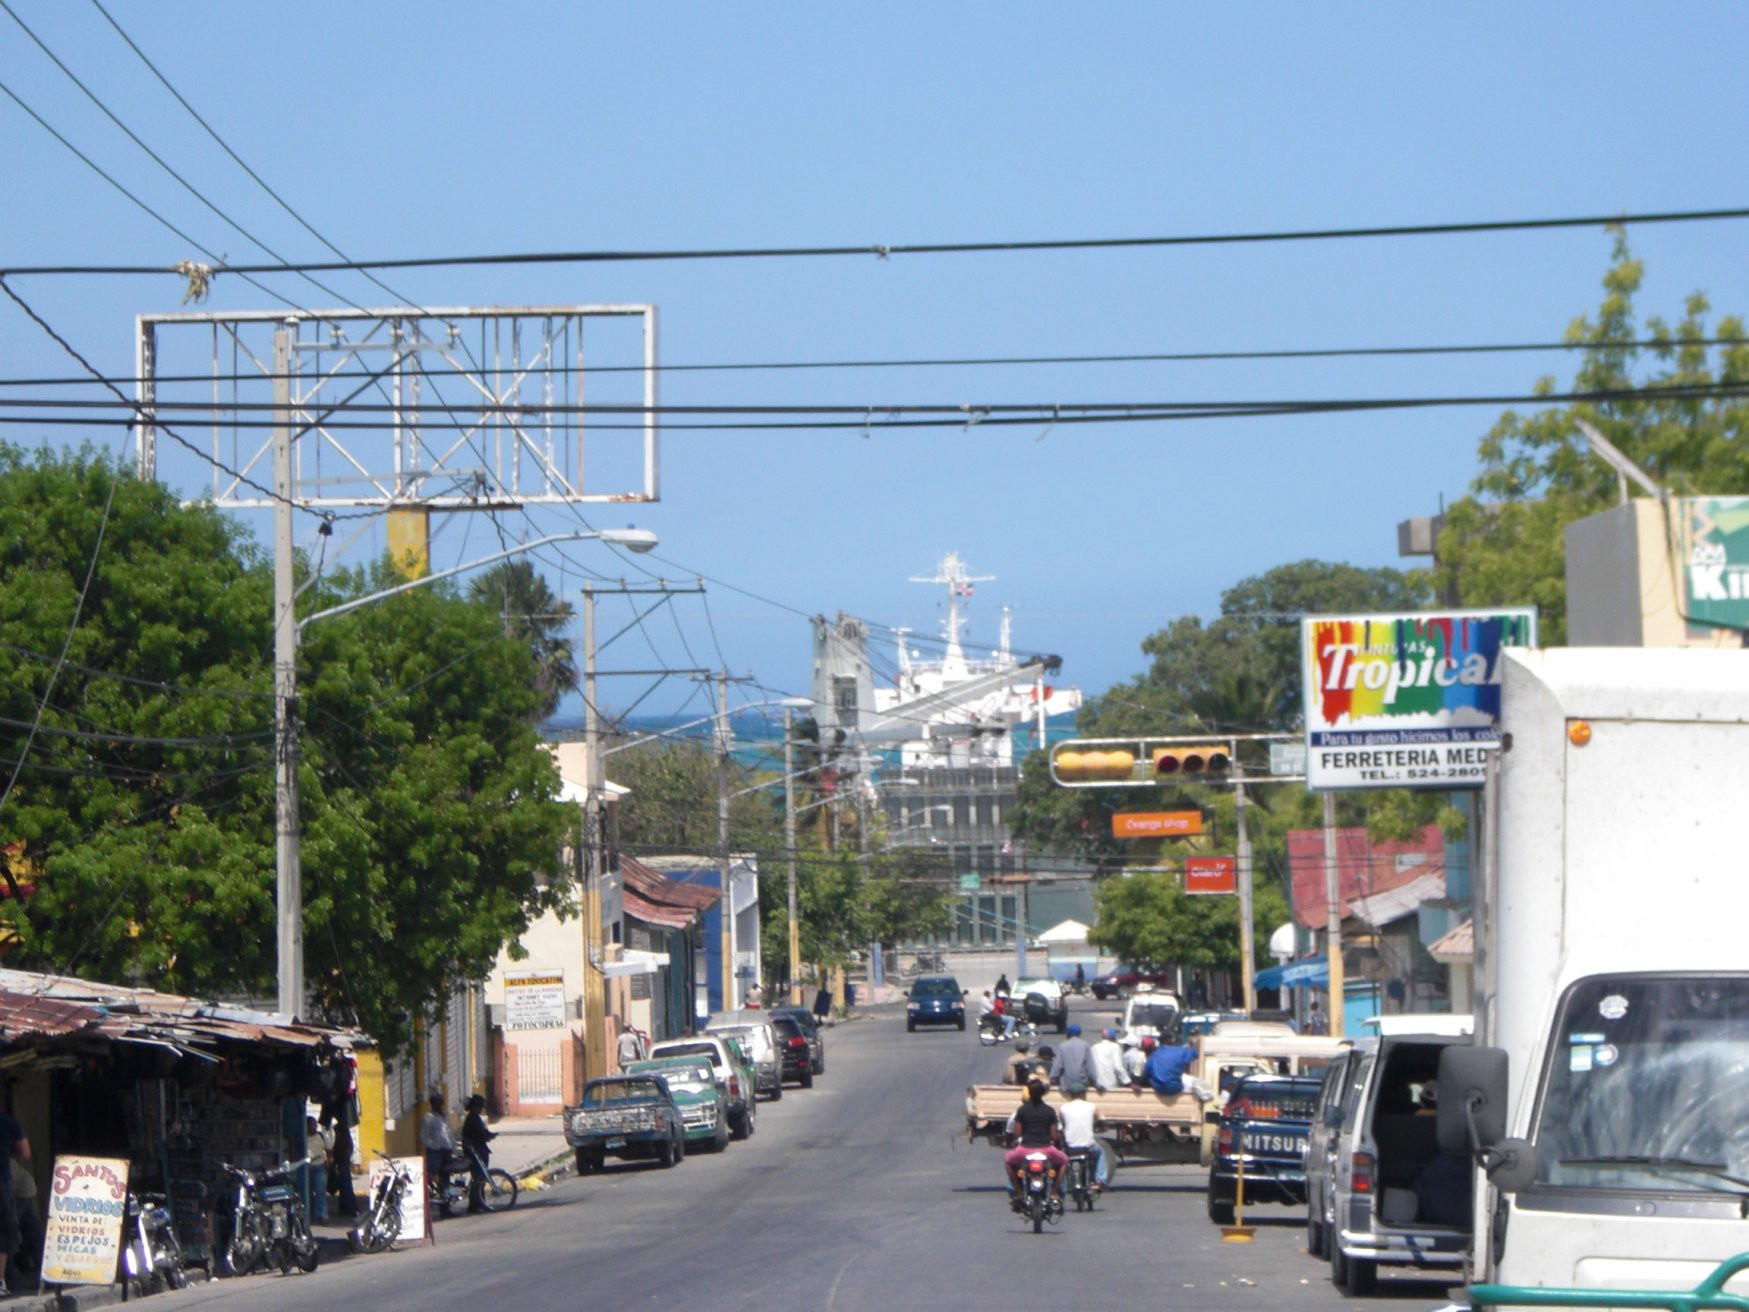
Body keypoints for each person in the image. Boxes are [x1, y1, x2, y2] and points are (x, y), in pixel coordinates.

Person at [1002, 1078, 1066, 1208]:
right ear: (1043, 1093)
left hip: (1025, 1149)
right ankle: (1054, 1192)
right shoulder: (1049, 1111)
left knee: (1008, 1161)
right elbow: (1054, 1136)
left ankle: (1019, 1193)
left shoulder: (1022, 1110)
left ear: (1029, 1093)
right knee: (1064, 1161)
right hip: (1046, 1149)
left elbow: (1017, 1134)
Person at [1059, 1081, 1109, 1194]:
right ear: (1083, 1094)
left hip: (1070, 1146)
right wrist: (1101, 1126)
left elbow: (1060, 1124)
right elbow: (1100, 1119)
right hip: (1088, 1146)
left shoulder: (1063, 1108)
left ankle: (1062, 1185)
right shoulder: (1091, 1106)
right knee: (1101, 1152)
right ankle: (1100, 1180)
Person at [0, 1106, 29, 1297]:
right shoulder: (8, 1122)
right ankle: (1, 1280)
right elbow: (25, 1153)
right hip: (1, 1182)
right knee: (4, 1231)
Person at [1143, 1036, 1214, 1101]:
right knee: (1194, 1081)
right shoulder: (1180, 1051)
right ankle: (1207, 1097)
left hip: (1158, 1089)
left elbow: (1146, 1074)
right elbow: (1195, 1053)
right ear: (1172, 1041)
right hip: (1176, 1088)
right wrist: (1192, 1045)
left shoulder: (1153, 1055)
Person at [418, 1092, 457, 1201]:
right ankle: (432, 1196)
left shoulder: (444, 1115)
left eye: (440, 1103)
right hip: (436, 1152)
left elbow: (448, 1131)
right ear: (432, 1104)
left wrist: (453, 1145)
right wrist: (436, 1146)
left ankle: (445, 1201)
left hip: (447, 1150)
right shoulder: (428, 1118)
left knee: (446, 1176)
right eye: (436, 1103)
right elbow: (424, 1137)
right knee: (433, 1174)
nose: (439, 1105)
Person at [461, 1094, 497, 1213]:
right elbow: (478, 1135)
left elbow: (482, 1132)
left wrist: (489, 1135)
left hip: (479, 1150)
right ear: (474, 1107)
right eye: (479, 1107)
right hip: (474, 1152)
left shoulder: (476, 1118)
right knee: (478, 1178)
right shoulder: (472, 1119)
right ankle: (475, 1204)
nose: (481, 1109)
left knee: (480, 1178)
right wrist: (487, 1136)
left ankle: (479, 1202)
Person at [1049, 1024, 1096, 1090]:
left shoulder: (1063, 1046)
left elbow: (1057, 1066)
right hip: (1082, 1084)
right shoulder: (1085, 1045)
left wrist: (1052, 1080)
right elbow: (1090, 1067)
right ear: (1079, 1034)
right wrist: (1095, 1082)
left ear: (1068, 1034)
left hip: (1066, 1085)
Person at [305, 1114, 334, 1222]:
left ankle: (322, 1215)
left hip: (319, 1166)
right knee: (307, 1193)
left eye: (314, 1125)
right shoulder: (303, 1137)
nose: (313, 1127)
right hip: (307, 1167)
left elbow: (328, 1149)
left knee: (320, 1191)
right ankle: (309, 1215)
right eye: (310, 1125)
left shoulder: (320, 1136)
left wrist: (329, 1160)